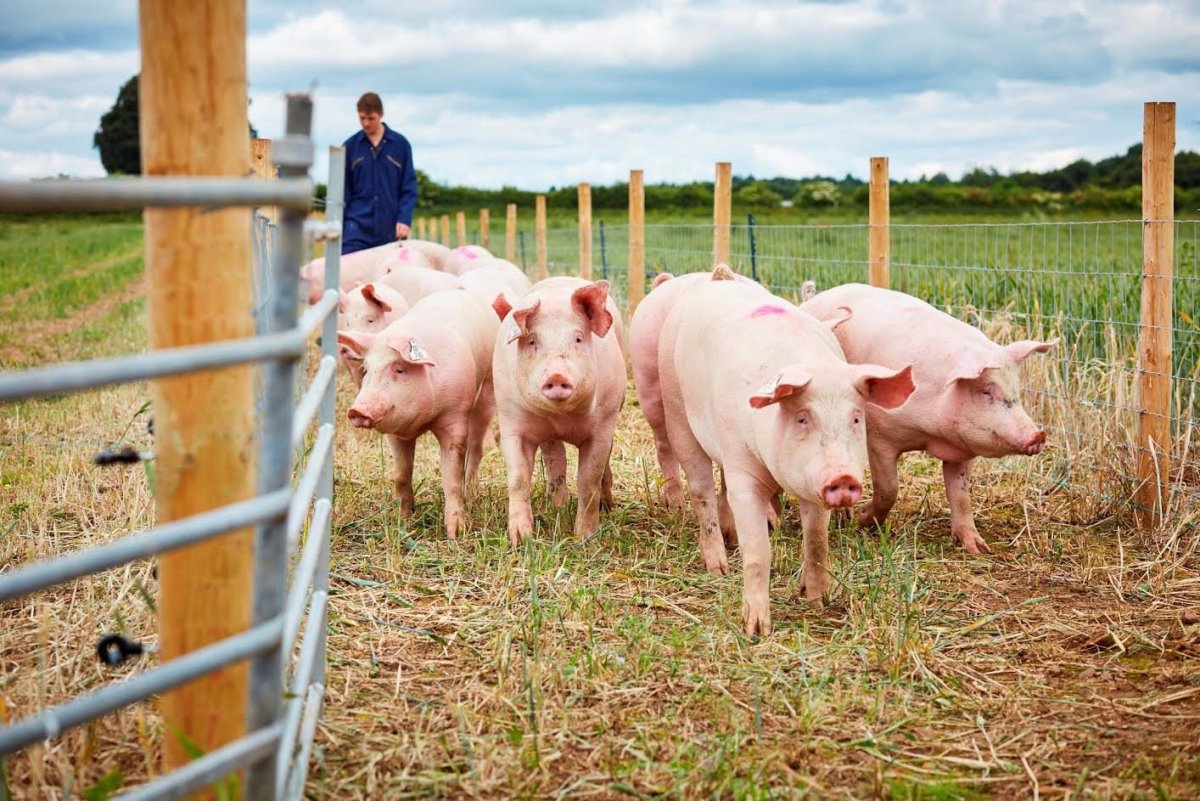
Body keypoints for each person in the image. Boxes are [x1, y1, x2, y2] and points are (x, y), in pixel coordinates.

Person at [341, 92, 419, 254]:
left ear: (380, 115)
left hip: (390, 228)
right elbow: (343, 190)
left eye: (371, 118)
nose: (366, 123)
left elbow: (409, 187)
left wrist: (404, 219)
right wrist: (337, 224)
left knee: (388, 277)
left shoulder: (401, 145)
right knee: (349, 274)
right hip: (356, 227)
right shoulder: (350, 147)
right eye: (362, 118)